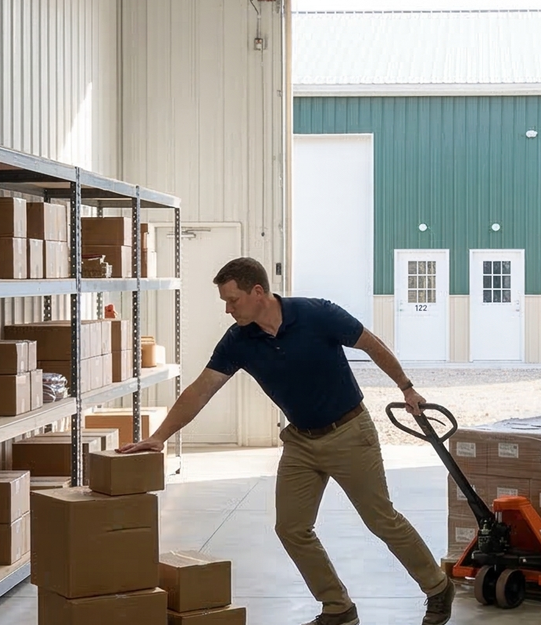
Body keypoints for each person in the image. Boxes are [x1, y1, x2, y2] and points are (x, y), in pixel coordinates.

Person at [119, 256, 454, 625]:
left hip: (349, 433)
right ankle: (338, 607)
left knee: (381, 520)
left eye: (233, 300)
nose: (228, 310)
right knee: (291, 527)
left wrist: (407, 388)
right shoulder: (239, 341)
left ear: (258, 291)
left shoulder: (317, 314)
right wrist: (158, 437)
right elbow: (201, 390)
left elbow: (371, 344)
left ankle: (437, 587)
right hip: (300, 442)